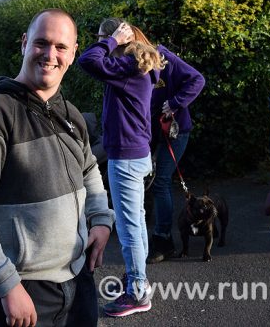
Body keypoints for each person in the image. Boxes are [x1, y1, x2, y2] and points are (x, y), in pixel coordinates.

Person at [0, 9, 114, 327]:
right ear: (24, 44)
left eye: (61, 47)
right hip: (21, 292)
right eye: (42, 43)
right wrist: (6, 284)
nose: (50, 54)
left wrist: (102, 221)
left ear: (74, 52)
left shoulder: (70, 113)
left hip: (78, 281)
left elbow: (89, 170)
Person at [78, 17, 166, 317]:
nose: (101, 44)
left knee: (128, 228)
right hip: (136, 154)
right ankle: (137, 281)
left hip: (127, 158)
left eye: (102, 37)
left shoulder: (128, 68)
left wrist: (111, 39)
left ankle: (137, 293)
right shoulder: (135, 68)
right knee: (137, 221)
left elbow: (88, 60)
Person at [146, 44, 205, 264]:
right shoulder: (132, 62)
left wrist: (175, 103)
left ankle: (164, 240)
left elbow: (197, 80)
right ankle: (157, 234)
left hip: (175, 132)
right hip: (152, 134)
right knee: (153, 182)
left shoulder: (163, 57)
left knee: (161, 182)